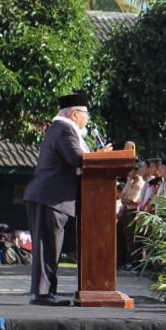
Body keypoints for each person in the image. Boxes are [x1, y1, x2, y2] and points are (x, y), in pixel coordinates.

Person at [23, 93, 108, 305]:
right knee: (47, 247)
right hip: (49, 198)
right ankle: (41, 294)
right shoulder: (64, 129)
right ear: (73, 114)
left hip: (52, 198)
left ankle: (46, 292)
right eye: (85, 115)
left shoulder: (63, 129)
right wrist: (101, 156)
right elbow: (77, 158)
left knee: (52, 247)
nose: (87, 120)